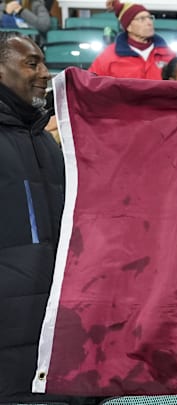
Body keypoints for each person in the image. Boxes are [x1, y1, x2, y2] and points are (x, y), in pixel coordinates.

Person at [0, 30, 70, 404]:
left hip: (53, 321)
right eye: (31, 63)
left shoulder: (46, 141)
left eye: (44, 62)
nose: (45, 72)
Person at [88, 0, 175, 80]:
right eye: (142, 19)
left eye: (150, 17)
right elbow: (91, 84)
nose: (149, 22)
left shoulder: (168, 54)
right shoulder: (108, 56)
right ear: (128, 26)